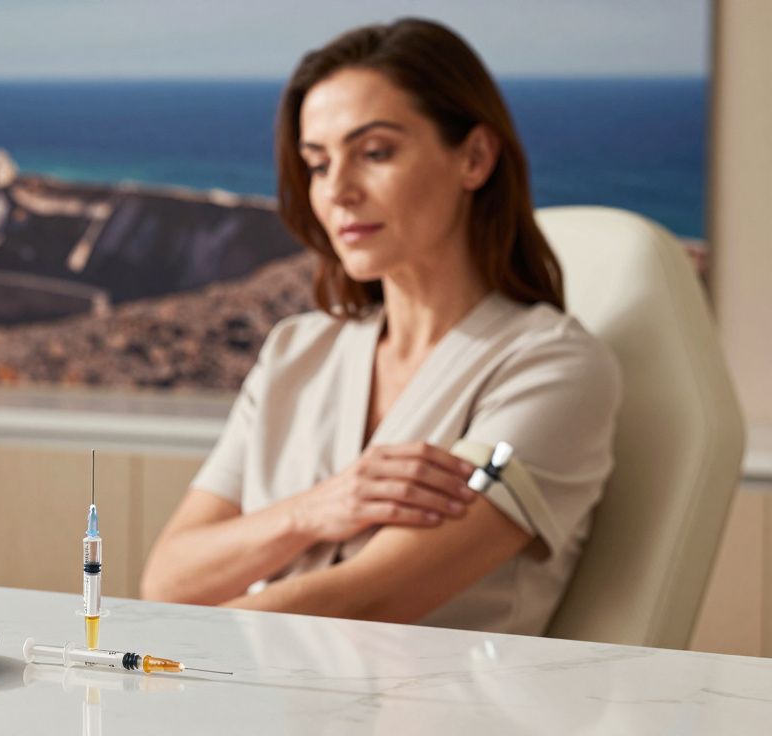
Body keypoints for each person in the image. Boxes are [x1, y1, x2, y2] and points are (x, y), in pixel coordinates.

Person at [140, 18, 622, 636]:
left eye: (375, 153)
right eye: (317, 164)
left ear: (474, 157)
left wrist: (162, 650)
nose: (337, 191)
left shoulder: (552, 370)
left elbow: (365, 602)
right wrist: (314, 510)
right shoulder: (296, 351)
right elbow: (168, 579)